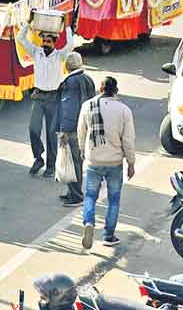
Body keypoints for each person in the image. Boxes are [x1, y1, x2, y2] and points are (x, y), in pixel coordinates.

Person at [77, 76, 135, 249]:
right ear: (116, 91)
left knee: (90, 196)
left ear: (100, 89)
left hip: (93, 159)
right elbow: (128, 140)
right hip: (114, 162)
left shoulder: (88, 106)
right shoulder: (124, 110)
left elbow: (81, 131)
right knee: (114, 199)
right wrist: (131, 163)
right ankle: (108, 236)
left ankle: (89, 222)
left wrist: (82, 150)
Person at [16, 20, 75, 178]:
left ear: (54, 43)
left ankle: (51, 166)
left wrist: (67, 25)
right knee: (33, 129)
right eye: (44, 41)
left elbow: (71, 44)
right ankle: (38, 158)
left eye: (48, 41)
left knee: (51, 134)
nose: (45, 44)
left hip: (54, 98)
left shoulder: (60, 55)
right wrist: (29, 22)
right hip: (38, 96)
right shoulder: (36, 52)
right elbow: (20, 38)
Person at [55, 52, 94, 207]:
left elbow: (68, 108)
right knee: (76, 161)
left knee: (72, 162)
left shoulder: (70, 82)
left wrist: (63, 130)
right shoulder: (87, 79)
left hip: (72, 128)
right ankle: (72, 192)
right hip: (85, 126)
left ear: (67, 65)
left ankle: (76, 195)